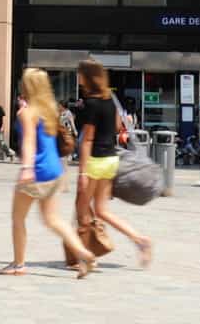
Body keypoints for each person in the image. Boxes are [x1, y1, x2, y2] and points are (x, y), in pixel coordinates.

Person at [0, 68, 96, 278]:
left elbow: (29, 143)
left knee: (18, 218)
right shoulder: (50, 110)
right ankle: (83, 253)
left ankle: (18, 264)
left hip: (36, 171)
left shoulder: (25, 113)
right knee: (53, 219)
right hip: (56, 170)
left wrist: (26, 168)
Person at [73, 59, 152, 269]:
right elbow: (118, 127)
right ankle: (140, 240)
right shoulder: (110, 100)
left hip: (96, 161)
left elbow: (88, 139)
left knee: (82, 209)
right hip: (111, 160)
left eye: (80, 74)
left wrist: (82, 173)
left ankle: (86, 257)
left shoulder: (91, 103)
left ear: (88, 77)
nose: (78, 77)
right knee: (101, 210)